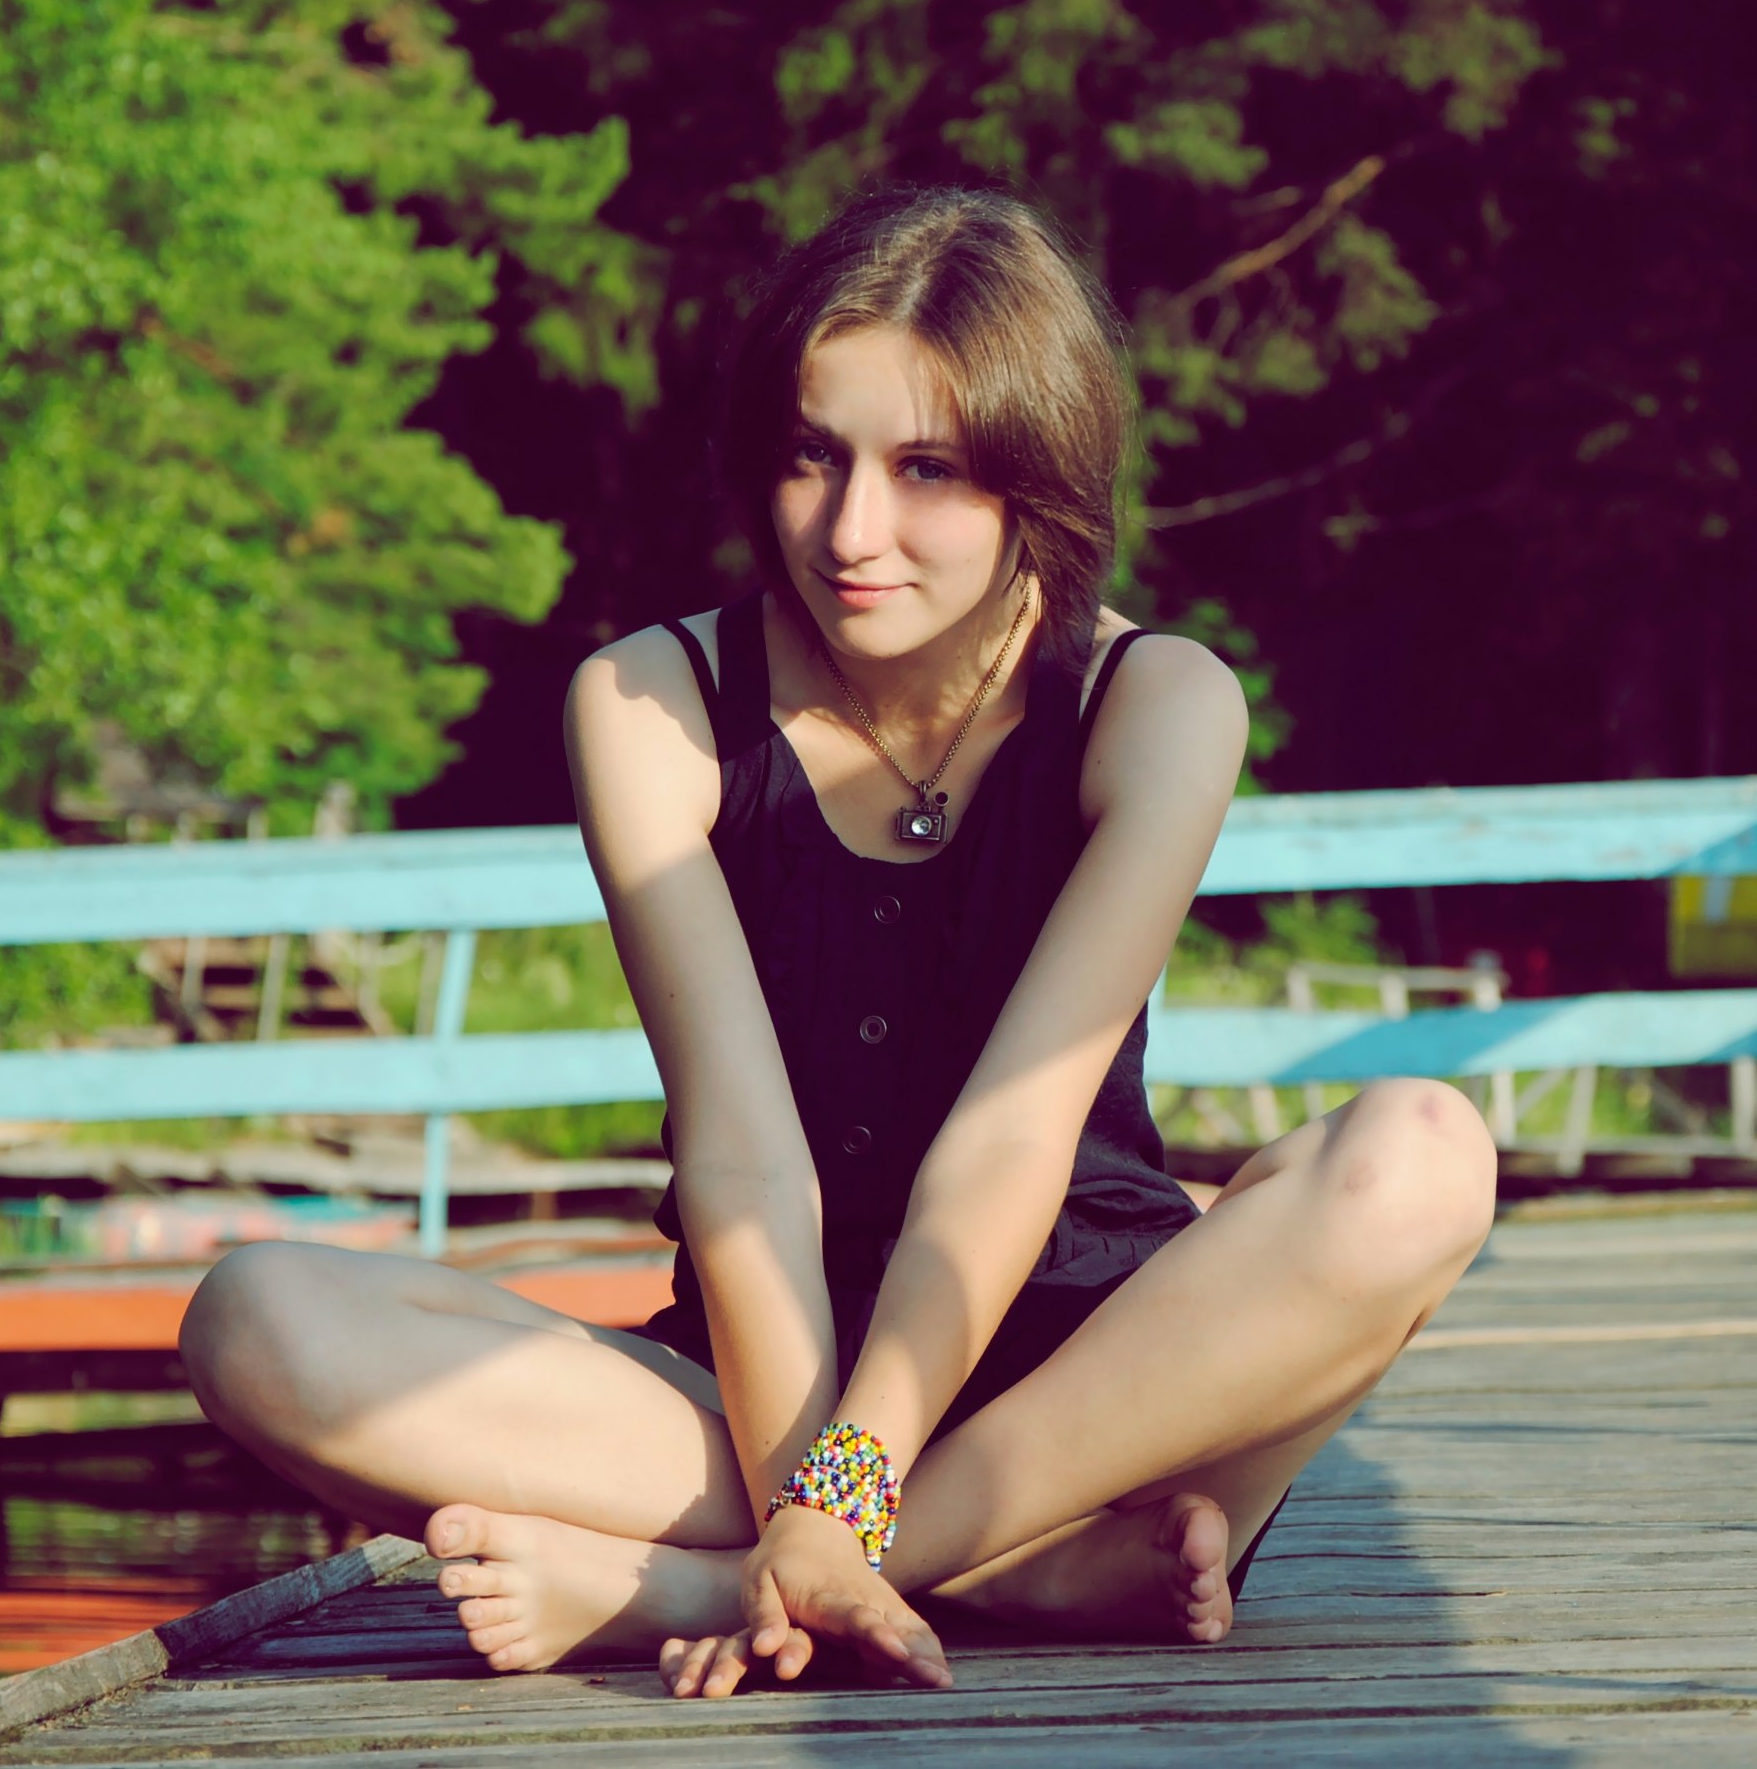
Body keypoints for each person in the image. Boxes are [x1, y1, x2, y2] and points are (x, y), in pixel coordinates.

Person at [178, 183, 1496, 1700]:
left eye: (927, 467)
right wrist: (807, 1476)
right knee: (259, 1320)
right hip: (753, 1396)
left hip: (1089, 1395)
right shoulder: (651, 704)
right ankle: (1013, 1575)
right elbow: (742, 1163)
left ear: (1037, 471)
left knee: (1421, 1157)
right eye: (813, 455)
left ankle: (714, 1582)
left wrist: (837, 1512)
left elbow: (1012, 1147)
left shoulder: (1156, 704)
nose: (851, 530)